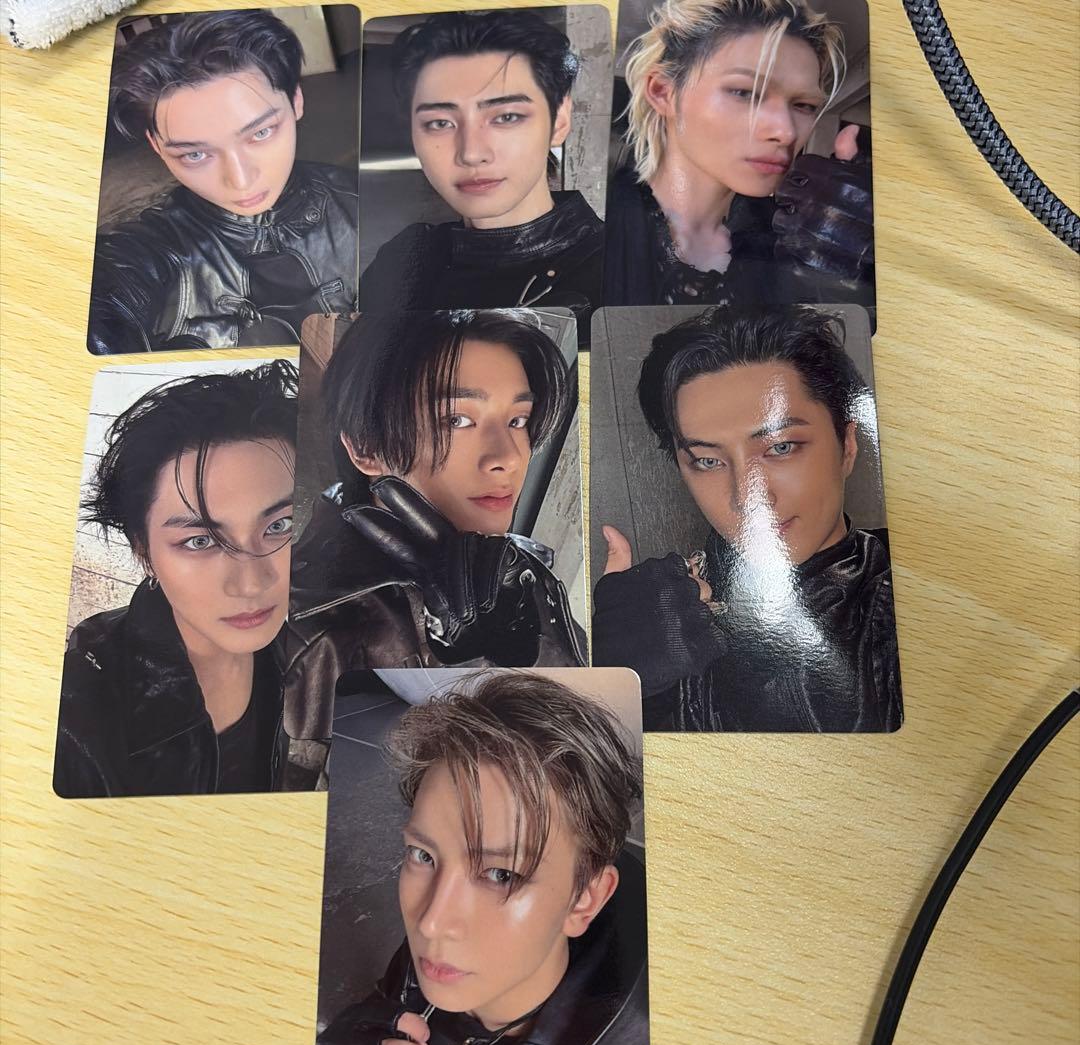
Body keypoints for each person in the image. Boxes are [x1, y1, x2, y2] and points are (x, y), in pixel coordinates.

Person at [314, 670, 649, 1045]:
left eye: (501, 875)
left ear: (585, 900)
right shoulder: (449, 952)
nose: (432, 921)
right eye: (423, 854)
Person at [592, 305, 902, 732]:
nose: (749, 498)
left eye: (780, 447)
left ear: (846, 446)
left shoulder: (904, 599)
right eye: (708, 460)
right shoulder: (662, 616)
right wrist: (612, 689)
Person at [286, 309, 586, 742]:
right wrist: (475, 669)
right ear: (365, 445)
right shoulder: (309, 638)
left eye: (517, 420)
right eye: (457, 420)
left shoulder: (510, 563)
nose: (508, 457)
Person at [53, 361, 310, 797]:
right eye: (199, 541)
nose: (251, 583)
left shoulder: (305, 650)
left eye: (278, 526)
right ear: (143, 549)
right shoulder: (77, 716)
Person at [88, 10, 359, 354]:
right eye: (195, 154)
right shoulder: (150, 250)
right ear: (157, 146)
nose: (241, 182)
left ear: (296, 101)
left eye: (261, 133)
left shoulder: (366, 198)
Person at [604, 0, 874, 310]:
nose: (785, 131)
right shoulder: (593, 226)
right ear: (663, 92)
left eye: (804, 105)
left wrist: (836, 287)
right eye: (744, 92)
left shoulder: (786, 241)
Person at [357, 10, 605, 343]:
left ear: (559, 120)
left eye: (506, 116)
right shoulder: (403, 257)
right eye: (440, 123)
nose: (471, 153)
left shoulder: (624, 272)